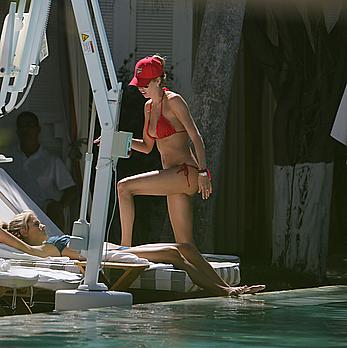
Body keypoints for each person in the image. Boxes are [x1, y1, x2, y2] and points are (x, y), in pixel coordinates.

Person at [0, 210, 265, 297]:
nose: (41, 223)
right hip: (111, 254)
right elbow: (21, 247)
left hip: (116, 248)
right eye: (34, 223)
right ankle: (225, 291)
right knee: (174, 251)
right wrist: (11, 238)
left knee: (183, 247)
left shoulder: (50, 241)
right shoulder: (44, 249)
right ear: (22, 233)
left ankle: (226, 287)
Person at [98, 54, 213, 246]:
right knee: (185, 245)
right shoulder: (148, 107)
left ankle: (125, 249)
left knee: (124, 187)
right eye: (139, 84)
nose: (141, 88)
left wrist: (203, 172)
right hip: (172, 176)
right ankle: (203, 275)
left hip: (186, 172)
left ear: (158, 80)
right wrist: (114, 140)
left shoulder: (174, 101)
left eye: (145, 84)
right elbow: (146, 146)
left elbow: (196, 136)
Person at [3, 111, 76, 230]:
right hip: (13, 211)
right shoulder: (8, 158)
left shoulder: (51, 160)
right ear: (18, 131)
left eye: (30, 125)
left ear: (38, 129)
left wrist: (59, 205)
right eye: (23, 126)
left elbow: (71, 188)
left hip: (43, 213)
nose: (26, 130)